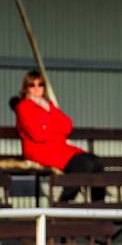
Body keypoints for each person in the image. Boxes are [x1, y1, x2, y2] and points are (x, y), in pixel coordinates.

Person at [11, 70, 105, 202]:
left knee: (97, 162)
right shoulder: (23, 106)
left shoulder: (48, 106)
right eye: (32, 85)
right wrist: (57, 132)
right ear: (25, 88)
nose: (37, 88)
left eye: (40, 84)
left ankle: (99, 207)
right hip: (40, 150)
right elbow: (37, 134)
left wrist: (48, 116)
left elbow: (67, 125)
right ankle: (63, 203)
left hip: (59, 148)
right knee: (84, 164)